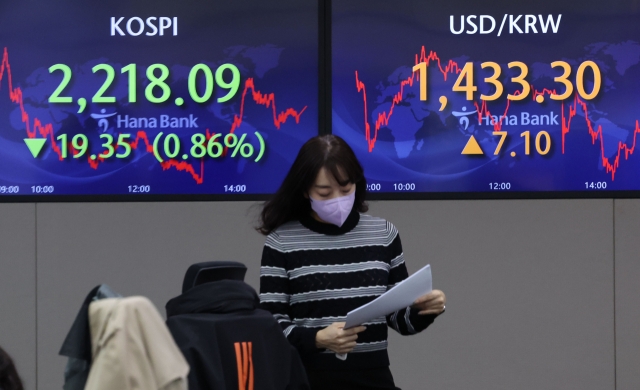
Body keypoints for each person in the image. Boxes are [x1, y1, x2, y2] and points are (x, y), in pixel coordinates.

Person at [257, 134, 446, 389]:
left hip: (373, 378)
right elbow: (270, 327)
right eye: (324, 193)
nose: (337, 199)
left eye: (346, 189)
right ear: (305, 190)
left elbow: (399, 319)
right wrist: (318, 339)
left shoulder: (384, 234)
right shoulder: (282, 242)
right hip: (308, 379)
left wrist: (425, 309)